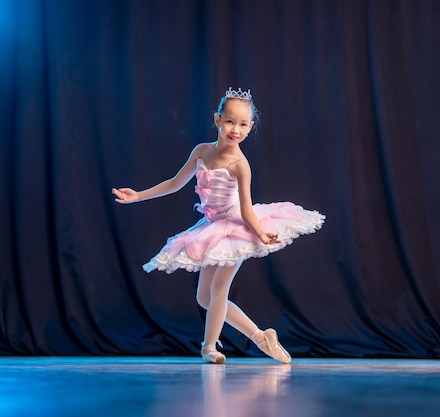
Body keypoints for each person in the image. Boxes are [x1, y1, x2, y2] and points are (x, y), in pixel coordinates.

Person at [112, 87, 325, 364]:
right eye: (230, 121)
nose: (235, 129)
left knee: (218, 291)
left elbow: (247, 208)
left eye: (243, 124)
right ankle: (261, 337)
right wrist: (138, 195)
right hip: (212, 226)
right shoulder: (202, 151)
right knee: (205, 298)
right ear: (217, 120)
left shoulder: (240, 164)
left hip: (236, 226)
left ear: (250, 127)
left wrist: (260, 234)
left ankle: (209, 347)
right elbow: (176, 183)